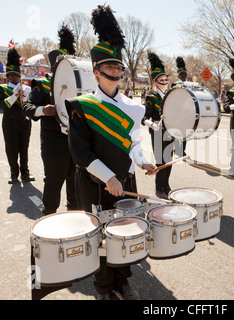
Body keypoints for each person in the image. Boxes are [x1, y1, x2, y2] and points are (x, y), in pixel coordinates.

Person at [67, 5, 157, 300]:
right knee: (100, 237)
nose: (116, 73)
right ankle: (103, 287)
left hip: (126, 182)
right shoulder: (82, 106)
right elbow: (80, 152)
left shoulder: (133, 107)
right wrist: (108, 177)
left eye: (119, 68)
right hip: (94, 183)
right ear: (96, 72)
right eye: (110, 68)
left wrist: (144, 162)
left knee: (125, 233)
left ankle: (123, 281)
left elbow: (134, 143)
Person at [23, 25, 77, 215]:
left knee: (75, 179)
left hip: (75, 139)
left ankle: (74, 215)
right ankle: (49, 215)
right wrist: (43, 110)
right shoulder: (42, 84)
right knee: (54, 180)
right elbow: (26, 107)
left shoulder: (77, 86)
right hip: (53, 141)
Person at [0, 48, 34, 184]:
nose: (15, 78)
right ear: (8, 76)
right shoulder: (2, 88)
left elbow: (30, 105)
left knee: (24, 148)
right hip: (10, 122)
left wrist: (26, 96)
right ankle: (14, 174)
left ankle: (25, 173)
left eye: (17, 76)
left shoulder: (25, 88)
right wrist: (14, 95)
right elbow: (4, 105)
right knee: (12, 149)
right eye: (12, 76)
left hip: (24, 122)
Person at [142, 52, 175, 199]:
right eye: (161, 80)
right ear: (155, 82)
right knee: (161, 160)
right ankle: (159, 188)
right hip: (158, 132)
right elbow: (143, 116)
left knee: (170, 159)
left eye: (166, 80)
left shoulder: (170, 95)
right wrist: (151, 124)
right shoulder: (151, 97)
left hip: (171, 131)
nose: (164, 82)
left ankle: (166, 185)